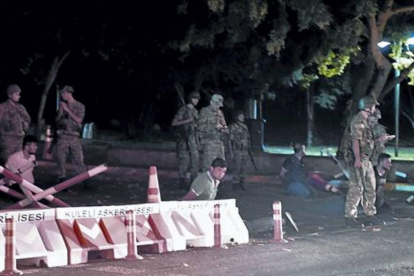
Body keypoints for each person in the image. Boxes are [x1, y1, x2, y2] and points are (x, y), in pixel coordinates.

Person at [343, 95, 379, 227]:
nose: (375, 108)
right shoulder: (357, 121)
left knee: (370, 187)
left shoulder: (366, 121)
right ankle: (350, 216)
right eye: (374, 106)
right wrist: (357, 159)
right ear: (368, 107)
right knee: (357, 188)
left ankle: (370, 213)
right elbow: (355, 142)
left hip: (366, 159)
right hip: (359, 159)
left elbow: (366, 141)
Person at [55, 85, 88, 189]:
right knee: (60, 158)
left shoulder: (80, 106)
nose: (62, 95)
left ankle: (84, 180)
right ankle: (61, 179)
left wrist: (67, 110)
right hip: (63, 136)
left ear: (69, 93)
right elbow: (57, 121)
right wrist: (61, 111)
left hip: (74, 137)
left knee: (78, 159)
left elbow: (79, 120)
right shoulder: (62, 105)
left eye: (63, 93)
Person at [171, 91, 201, 189]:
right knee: (184, 161)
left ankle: (193, 181)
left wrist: (198, 142)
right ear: (190, 99)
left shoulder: (195, 112)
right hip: (183, 139)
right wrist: (187, 120)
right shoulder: (183, 110)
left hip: (192, 139)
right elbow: (174, 123)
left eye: (197, 99)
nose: (196, 100)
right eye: (194, 98)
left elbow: (196, 128)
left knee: (195, 161)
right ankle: (182, 182)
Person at [0, 84, 31, 165]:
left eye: (19, 94)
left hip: (19, 139)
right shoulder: (3, 107)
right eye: (16, 94)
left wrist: (24, 126)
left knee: (17, 164)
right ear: (10, 95)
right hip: (7, 140)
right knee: (6, 163)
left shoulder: (20, 107)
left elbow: (28, 119)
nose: (19, 96)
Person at [198, 93, 228, 172]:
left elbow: (224, 125)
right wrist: (214, 127)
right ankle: (206, 183)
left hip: (219, 143)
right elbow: (200, 127)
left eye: (219, 105)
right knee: (208, 166)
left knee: (221, 166)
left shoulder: (220, 113)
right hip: (209, 143)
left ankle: (217, 183)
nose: (218, 106)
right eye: (216, 104)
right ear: (212, 102)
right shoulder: (204, 112)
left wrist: (224, 129)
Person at [229, 110, 250, 191]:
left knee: (244, 167)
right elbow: (230, 140)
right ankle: (235, 183)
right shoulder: (233, 126)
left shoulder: (245, 127)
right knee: (236, 167)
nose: (243, 117)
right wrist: (231, 151)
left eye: (243, 116)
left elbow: (247, 139)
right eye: (241, 116)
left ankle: (242, 183)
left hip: (244, 150)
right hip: (237, 150)